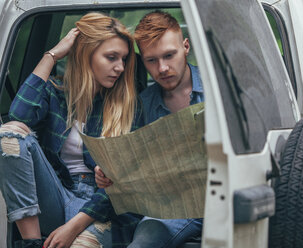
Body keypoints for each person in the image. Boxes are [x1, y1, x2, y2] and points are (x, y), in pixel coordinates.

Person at [44, 10, 204, 248]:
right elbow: (130, 166)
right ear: (142, 60)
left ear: (186, 46)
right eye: (151, 60)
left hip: (224, 198)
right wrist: (106, 173)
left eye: (169, 55)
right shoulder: (142, 105)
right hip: (169, 207)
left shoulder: (221, 94)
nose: (162, 68)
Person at [0, 12, 137, 248]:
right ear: (87, 55)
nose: (120, 67)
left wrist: (72, 228)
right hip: (56, 193)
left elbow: (122, 186)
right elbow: (17, 117)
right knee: (9, 135)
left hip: (101, 209)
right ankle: (31, 243)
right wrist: (51, 56)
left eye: (123, 59)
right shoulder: (55, 94)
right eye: (112, 57)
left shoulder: (127, 106)